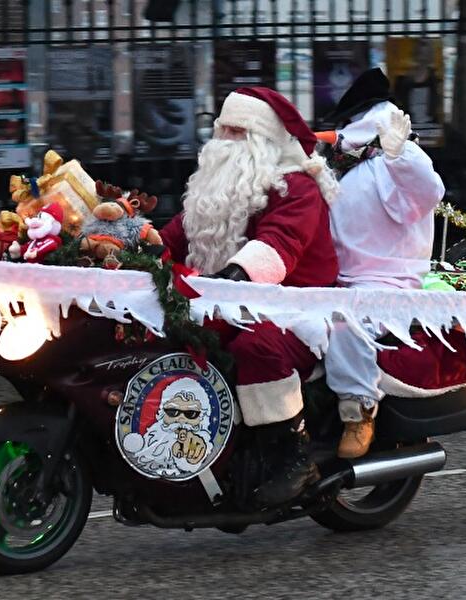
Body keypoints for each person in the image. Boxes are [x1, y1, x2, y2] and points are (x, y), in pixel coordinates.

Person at [160, 87, 340, 504]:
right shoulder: (216, 193)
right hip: (226, 303)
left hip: (295, 310)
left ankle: (292, 457)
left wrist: (233, 275)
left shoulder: (297, 188)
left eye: (237, 133)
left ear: (264, 141)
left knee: (256, 347)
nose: (225, 142)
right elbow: (174, 236)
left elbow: (279, 246)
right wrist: (130, 248)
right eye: (222, 130)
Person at [319, 68, 446, 458]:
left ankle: (359, 410)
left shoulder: (397, 158)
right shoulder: (346, 164)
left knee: (345, 320)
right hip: (338, 277)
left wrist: (402, 152)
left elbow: (431, 190)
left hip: (387, 283)